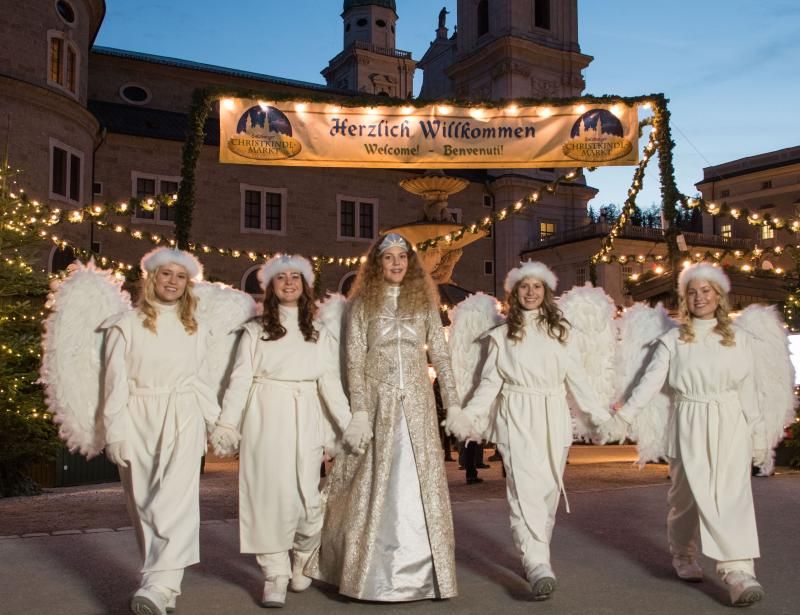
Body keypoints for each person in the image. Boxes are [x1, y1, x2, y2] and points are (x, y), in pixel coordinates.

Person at [313, 232, 470, 601]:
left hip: (417, 403)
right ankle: (368, 573)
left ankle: (426, 575)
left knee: (419, 480)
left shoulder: (424, 302)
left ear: (410, 264)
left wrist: (454, 404)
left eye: (402, 257)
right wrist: (359, 412)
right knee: (372, 480)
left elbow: (441, 357)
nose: (397, 263)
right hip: (377, 403)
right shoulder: (362, 304)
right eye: (389, 257)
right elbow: (354, 360)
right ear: (378, 264)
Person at [614, 263, 767, 607]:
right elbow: (649, 383)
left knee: (732, 497)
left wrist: (757, 436)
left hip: (731, 422)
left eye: (706, 291)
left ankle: (738, 572)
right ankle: (682, 554)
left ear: (719, 295)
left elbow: (749, 391)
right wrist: (624, 414)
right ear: (684, 299)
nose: (699, 298)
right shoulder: (673, 340)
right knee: (685, 499)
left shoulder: (740, 340)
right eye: (692, 292)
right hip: (689, 420)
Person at [458, 261, 613, 600]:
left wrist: (600, 415)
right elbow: (489, 384)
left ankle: (536, 552)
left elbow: (577, 379)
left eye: (537, 286)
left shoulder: (562, 332)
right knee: (524, 490)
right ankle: (537, 563)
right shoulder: (502, 336)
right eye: (524, 286)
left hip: (554, 415)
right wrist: (467, 416)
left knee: (547, 491)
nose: (530, 292)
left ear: (546, 291)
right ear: (514, 293)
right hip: (516, 414)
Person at [210, 254, 351, 608]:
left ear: (305, 285)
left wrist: (348, 425)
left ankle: (303, 555)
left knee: (307, 499)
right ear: (271, 286)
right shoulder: (255, 331)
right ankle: (275, 573)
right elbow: (240, 380)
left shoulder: (319, 333)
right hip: (265, 414)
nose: (289, 283)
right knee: (266, 495)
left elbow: (331, 384)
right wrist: (228, 423)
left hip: (306, 413)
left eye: (295, 277)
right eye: (281, 277)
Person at [102, 248, 221, 615]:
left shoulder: (196, 327)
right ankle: (163, 586)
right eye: (166, 274)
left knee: (175, 502)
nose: (173, 281)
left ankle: (160, 585)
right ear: (152, 278)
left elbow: (203, 379)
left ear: (188, 284)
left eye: (180, 276)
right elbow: (113, 383)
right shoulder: (126, 325)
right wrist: (114, 432)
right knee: (144, 503)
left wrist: (216, 422)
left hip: (183, 412)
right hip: (137, 416)